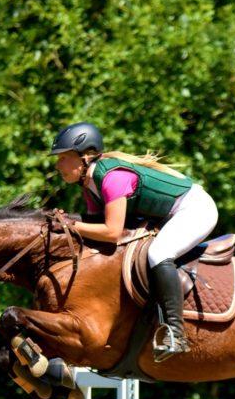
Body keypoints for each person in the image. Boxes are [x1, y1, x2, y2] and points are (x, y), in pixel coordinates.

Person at [49, 121, 219, 361]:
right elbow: (95, 228)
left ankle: (175, 332)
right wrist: (64, 221)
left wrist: (70, 225)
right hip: (169, 215)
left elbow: (112, 232)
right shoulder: (90, 185)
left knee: (159, 253)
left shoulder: (112, 178)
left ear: (84, 156)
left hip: (195, 209)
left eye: (63, 158)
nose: (58, 165)